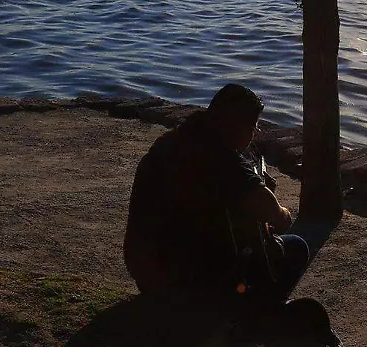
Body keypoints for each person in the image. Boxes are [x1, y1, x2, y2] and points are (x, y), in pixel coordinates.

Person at [123, 84, 310, 309]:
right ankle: (260, 312)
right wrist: (283, 215)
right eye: (253, 128)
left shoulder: (172, 140)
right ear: (239, 126)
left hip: (145, 271)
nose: (253, 136)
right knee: (297, 247)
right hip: (185, 281)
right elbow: (269, 210)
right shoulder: (222, 157)